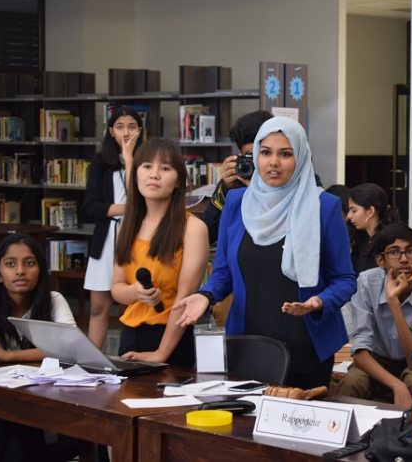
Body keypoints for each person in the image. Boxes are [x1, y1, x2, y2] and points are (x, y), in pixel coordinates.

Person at [174, 116, 356, 389]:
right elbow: (223, 272)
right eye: (266, 152)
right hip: (247, 343)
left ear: (301, 158)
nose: (274, 162)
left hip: (306, 344)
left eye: (285, 154)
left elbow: (344, 279)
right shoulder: (236, 202)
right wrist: (205, 295)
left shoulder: (324, 207)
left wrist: (319, 301)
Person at [112, 138, 208, 367]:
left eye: (165, 168)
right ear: (135, 174)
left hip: (172, 338)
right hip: (130, 335)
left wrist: (161, 353)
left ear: (178, 181)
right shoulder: (127, 225)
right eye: (147, 166)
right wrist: (135, 292)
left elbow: (184, 298)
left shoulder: (193, 228)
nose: (154, 175)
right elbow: (116, 289)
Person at [337, 223, 412, 408]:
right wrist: (397, 386)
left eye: (410, 251)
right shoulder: (366, 282)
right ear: (381, 260)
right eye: (394, 252)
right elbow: (360, 352)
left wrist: (394, 304)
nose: (404, 259)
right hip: (375, 359)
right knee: (352, 381)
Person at [0, 233, 76, 461]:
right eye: (11, 264)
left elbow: (70, 348)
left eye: (29, 263)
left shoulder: (54, 300)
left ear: (40, 270)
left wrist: (9, 356)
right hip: (4, 403)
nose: (20, 271)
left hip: (51, 404)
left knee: (18, 438)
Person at [82, 106, 143, 348]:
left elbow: (138, 196)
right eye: (120, 127)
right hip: (107, 238)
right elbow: (90, 207)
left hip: (137, 237)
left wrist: (129, 159)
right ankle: (91, 359)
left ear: (140, 130)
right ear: (110, 131)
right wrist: (126, 209)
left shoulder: (146, 160)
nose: (126, 133)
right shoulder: (100, 162)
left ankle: (130, 356)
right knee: (98, 306)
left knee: (131, 305)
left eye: (131, 127)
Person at [199, 110, 273, 244]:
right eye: (250, 156)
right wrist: (226, 188)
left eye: (264, 153)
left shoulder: (293, 181)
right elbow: (206, 234)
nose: (258, 162)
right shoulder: (237, 182)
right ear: (240, 156)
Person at [346, 182, 400, 275]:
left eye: (354, 211)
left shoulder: (389, 242)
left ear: (370, 211)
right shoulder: (361, 238)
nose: (349, 216)